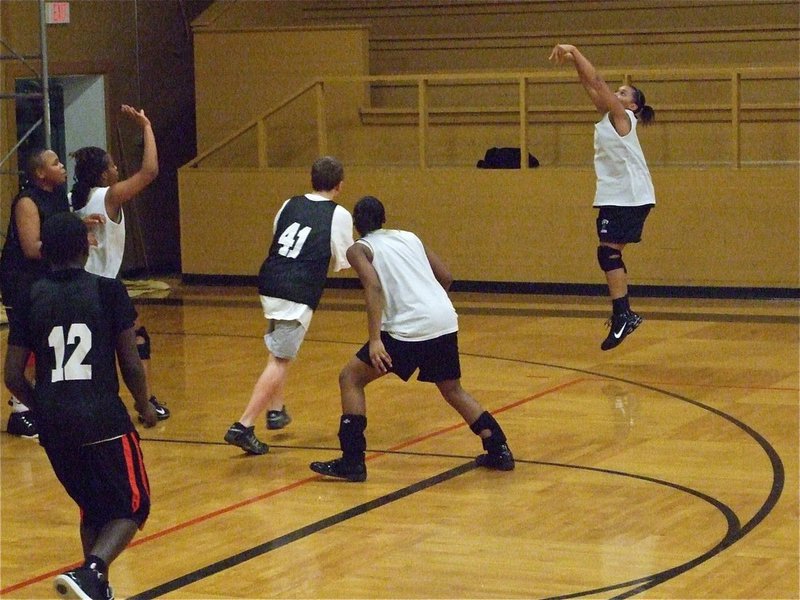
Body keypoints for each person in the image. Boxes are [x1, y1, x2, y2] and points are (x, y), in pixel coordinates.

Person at [4, 211, 157, 600]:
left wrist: (43, 409)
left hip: (54, 426)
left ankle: (94, 589)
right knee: (132, 505)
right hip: (102, 419)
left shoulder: (28, 296)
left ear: (46, 252)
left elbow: (12, 375)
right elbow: (130, 362)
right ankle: (93, 570)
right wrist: (145, 405)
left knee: (93, 508)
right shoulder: (107, 290)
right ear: (86, 247)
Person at [309, 196, 514, 482]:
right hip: (443, 320)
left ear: (356, 224)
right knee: (452, 389)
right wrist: (429, 303)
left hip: (407, 329)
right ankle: (498, 447)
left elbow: (373, 287)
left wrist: (375, 339)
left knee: (350, 379)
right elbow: (446, 276)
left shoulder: (359, 249)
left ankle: (352, 461)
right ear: (384, 219)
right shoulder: (409, 237)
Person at [224, 156, 354, 455]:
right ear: (340, 185)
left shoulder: (289, 203)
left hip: (270, 280)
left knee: (278, 351)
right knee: (280, 359)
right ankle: (243, 425)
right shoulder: (339, 214)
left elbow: (280, 238)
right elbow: (343, 261)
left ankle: (276, 410)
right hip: (297, 290)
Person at [549, 44, 656, 351]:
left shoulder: (623, 117)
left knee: (608, 253)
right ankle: (624, 313)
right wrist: (573, 63)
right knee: (609, 254)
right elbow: (589, 84)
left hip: (629, 196)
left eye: (623, 93)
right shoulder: (611, 117)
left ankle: (623, 314)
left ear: (633, 106)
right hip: (622, 196)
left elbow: (596, 82)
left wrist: (574, 50)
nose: (616, 95)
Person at [70, 104, 170, 421]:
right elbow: (150, 171)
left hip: (79, 286)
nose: (117, 169)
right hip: (103, 287)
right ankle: (144, 402)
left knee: (98, 346)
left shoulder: (76, 200)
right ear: (103, 175)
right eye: (113, 166)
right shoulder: (108, 196)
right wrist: (146, 126)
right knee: (130, 344)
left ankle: (101, 402)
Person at [1, 148, 72, 437]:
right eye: (55, 163)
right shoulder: (28, 201)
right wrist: (70, 242)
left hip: (44, 283)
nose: (62, 165)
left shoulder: (56, 198)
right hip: (21, 282)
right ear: (40, 173)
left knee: (46, 343)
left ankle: (45, 404)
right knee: (25, 342)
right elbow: (32, 247)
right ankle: (20, 411)